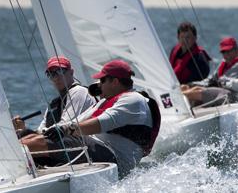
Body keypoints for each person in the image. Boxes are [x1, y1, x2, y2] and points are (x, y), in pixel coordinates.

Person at [31, 59, 159, 178]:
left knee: (44, 143)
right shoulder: (104, 102)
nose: (99, 85)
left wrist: (64, 130)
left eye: (102, 81)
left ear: (114, 82)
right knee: (34, 139)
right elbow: (77, 121)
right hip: (98, 152)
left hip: (115, 161)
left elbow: (102, 122)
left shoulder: (133, 99)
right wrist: (41, 132)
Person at [13, 56, 95, 150]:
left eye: (60, 71)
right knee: (22, 133)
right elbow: (41, 130)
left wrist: (31, 135)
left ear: (71, 72)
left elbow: (64, 126)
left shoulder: (79, 92)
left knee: (30, 138)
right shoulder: (54, 103)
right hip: (61, 144)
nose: (56, 78)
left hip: (86, 147)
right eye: (51, 74)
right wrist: (22, 129)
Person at [181, 36, 238, 106]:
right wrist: (192, 84)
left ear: (236, 49)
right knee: (190, 87)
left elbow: (228, 84)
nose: (226, 55)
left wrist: (215, 82)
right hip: (223, 93)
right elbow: (210, 81)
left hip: (235, 97)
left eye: (228, 51)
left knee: (199, 91)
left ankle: (176, 97)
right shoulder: (225, 64)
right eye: (224, 52)